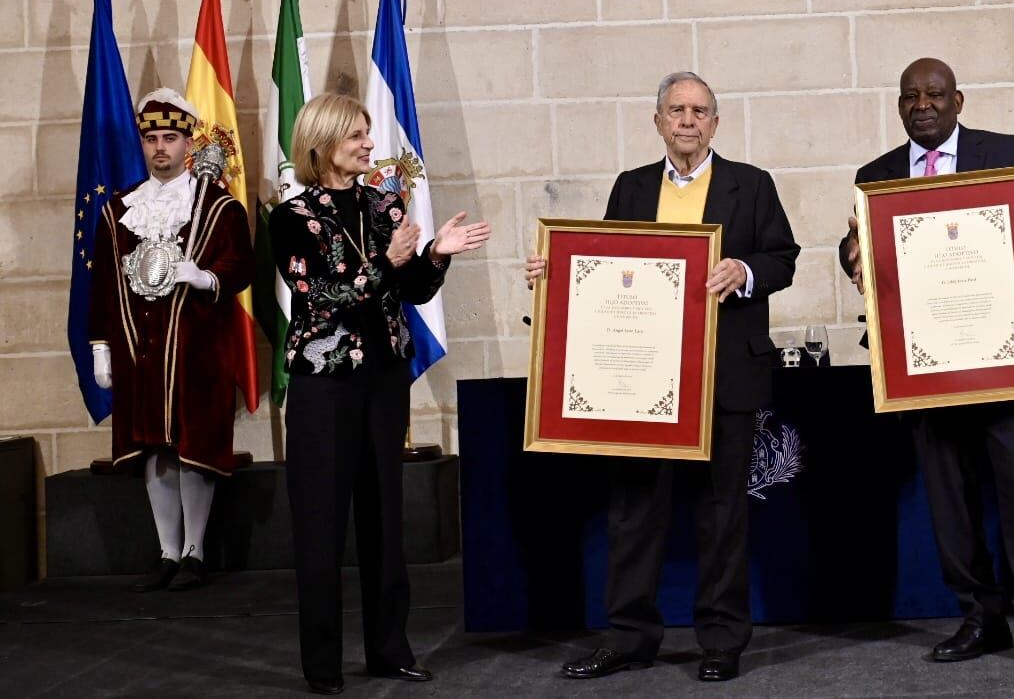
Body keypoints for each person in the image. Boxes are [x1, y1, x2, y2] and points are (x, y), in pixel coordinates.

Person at [526, 72, 799, 683]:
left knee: (722, 513)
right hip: (643, 382)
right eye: (676, 109)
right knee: (634, 511)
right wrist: (556, 270)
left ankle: (722, 641)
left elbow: (784, 258)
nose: (688, 120)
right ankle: (629, 637)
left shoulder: (751, 186)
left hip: (725, 378)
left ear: (715, 124)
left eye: (700, 111)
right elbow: (604, 265)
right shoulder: (631, 187)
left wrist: (743, 270)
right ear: (657, 121)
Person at [838, 58, 1014, 672]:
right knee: (949, 501)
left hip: (1009, 362)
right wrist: (852, 256)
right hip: (927, 369)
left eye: (935, 94)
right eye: (910, 96)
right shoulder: (878, 177)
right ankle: (981, 618)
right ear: (899, 106)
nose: (923, 104)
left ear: (959, 100)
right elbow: (857, 253)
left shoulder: (1008, 153)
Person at [269, 92, 491, 696]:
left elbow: (412, 290)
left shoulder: (383, 203)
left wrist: (435, 256)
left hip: (382, 381)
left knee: (383, 519)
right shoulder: (291, 216)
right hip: (323, 385)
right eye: (357, 135)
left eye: (369, 133)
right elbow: (318, 297)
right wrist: (384, 266)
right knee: (320, 523)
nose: (370, 144)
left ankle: (390, 650)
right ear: (322, 144)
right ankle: (322, 665)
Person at [88, 88, 252, 592]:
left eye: (170, 138)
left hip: (197, 348)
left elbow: (242, 266)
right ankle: (165, 549)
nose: (160, 147)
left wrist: (204, 277)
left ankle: (195, 551)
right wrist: (101, 347)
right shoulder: (120, 211)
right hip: (141, 349)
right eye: (152, 138)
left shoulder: (218, 207)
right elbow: (103, 286)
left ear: (187, 142)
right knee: (154, 449)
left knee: (190, 446)